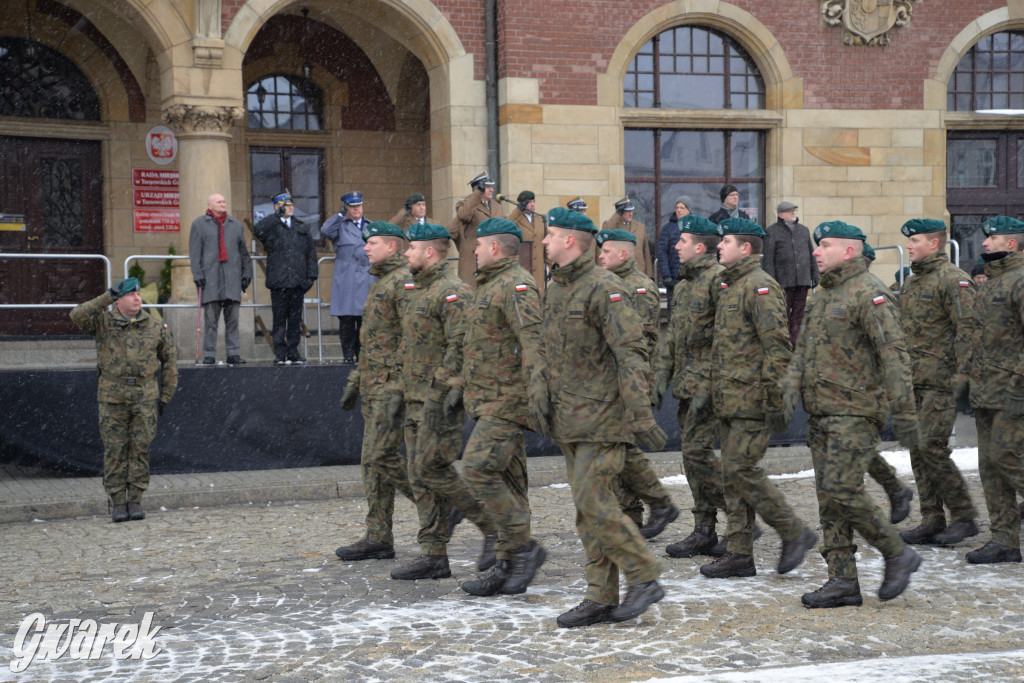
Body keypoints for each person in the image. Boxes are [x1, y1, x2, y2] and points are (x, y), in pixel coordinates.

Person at [536, 207, 667, 628]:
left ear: (569, 241)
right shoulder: (555, 289)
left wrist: (641, 414)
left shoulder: (605, 287)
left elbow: (632, 352)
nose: (543, 242)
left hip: (604, 417)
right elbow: (548, 352)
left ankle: (644, 576)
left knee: (595, 503)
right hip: (569, 418)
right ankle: (600, 596)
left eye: (549, 235)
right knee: (586, 511)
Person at [784, 220, 923, 608]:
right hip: (822, 412)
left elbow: (893, 354)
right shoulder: (822, 296)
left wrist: (905, 411)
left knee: (844, 489)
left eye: (824, 245)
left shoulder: (870, 293)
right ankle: (842, 580)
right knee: (829, 498)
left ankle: (896, 553)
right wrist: (786, 392)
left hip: (857, 411)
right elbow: (802, 352)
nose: (815, 251)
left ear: (849, 251)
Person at [699, 216, 817, 580]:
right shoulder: (729, 285)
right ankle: (739, 552)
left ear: (745, 248)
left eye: (726, 241)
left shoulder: (761, 286)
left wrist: (774, 398)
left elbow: (777, 346)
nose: (719, 246)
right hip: (729, 397)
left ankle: (793, 530)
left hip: (752, 399)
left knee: (741, 471)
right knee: (732, 477)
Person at [387, 222, 500, 581]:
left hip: (437, 402)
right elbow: (409, 345)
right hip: (413, 398)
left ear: (430, 252)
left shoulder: (453, 292)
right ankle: (433, 554)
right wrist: (395, 387)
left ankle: (492, 525)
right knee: (419, 478)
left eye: (411, 248)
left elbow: (461, 345)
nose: (406, 253)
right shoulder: (418, 292)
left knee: (433, 469)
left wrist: (447, 391)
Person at [458, 217, 548, 597]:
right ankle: (507, 562)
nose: (474, 251)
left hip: (507, 401)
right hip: (488, 399)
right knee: (511, 483)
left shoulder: (516, 285)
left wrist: (539, 395)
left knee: (477, 470)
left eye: (478, 245)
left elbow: (533, 344)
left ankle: (525, 549)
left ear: (494, 247)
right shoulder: (490, 286)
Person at [335, 221, 417, 562]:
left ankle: (445, 502)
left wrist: (397, 385)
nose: (366, 247)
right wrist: (357, 381)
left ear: (393, 247)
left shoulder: (403, 282)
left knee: (378, 457)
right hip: (374, 386)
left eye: (373, 243)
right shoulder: (381, 281)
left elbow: (412, 339)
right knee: (373, 465)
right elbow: (373, 345)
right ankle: (379, 535)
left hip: (391, 389)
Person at [896, 219, 980, 547]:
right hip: (915, 381)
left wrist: (961, 378)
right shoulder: (914, 282)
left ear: (935, 243)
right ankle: (932, 519)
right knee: (918, 450)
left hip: (941, 382)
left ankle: (964, 515)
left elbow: (969, 330)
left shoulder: (953, 280)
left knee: (932, 448)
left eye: (915, 240)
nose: (909, 246)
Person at [652, 214, 729, 558]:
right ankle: (705, 529)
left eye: (681, 241)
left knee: (698, 456)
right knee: (691, 457)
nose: (675, 246)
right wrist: (659, 380)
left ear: (699, 246)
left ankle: (742, 518)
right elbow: (673, 342)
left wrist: (714, 383)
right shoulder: (682, 286)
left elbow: (729, 338)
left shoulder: (719, 281)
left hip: (709, 388)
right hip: (686, 385)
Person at [70, 278, 178, 522]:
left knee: (139, 450)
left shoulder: (154, 326)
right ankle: (118, 502)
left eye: (139, 294)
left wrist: (166, 395)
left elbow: (169, 361)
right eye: (131, 295)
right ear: (118, 300)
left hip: (145, 398)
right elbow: (76, 315)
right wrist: (106, 296)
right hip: (112, 398)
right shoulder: (103, 323)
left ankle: (135, 500)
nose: (137, 299)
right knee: (115, 451)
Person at [595, 228, 678, 539]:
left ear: (623, 254)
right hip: (610, 379)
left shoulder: (639, 287)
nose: (600, 257)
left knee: (622, 448)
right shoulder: (608, 283)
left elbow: (636, 340)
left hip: (629, 379)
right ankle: (631, 519)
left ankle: (656, 504)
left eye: (605, 252)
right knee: (617, 448)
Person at [963, 215, 1024, 564]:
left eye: (992, 239)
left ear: (1011, 244)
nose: (984, 244)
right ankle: (1004, 539)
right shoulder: (991, 285)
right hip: (987, 392)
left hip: (1013, 394)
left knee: (1010, 460)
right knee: (990, 466)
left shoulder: (1019, 281)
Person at [859, 242, 916, 524]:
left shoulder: (872, 293)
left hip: (865, 387)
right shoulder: (834, 290)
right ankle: (895, 490)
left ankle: (893, 492)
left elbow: (890, 347)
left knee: (854, 450)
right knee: (857, 449)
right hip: (836, 388)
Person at [254, 191, 318, 365]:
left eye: (291, 205)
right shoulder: (271, 225)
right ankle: (280, 353)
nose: (290, 208)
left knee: (295, 320)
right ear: (277, 207)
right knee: (279, 319)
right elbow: (257, 230)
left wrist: (311, 277)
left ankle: (293, 352)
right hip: (279, 281)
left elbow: (310, 254)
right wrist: (275, 217)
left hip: (298, 281)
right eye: (286, 205)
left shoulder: (301, 227)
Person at [188, 193, 252, 365]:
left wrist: (247, 273)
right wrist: (198, 275)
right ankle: (209, 354)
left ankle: (233, 353)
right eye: (219, 202)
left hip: (231, 280)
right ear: (210, 205)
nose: (223, 204)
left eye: (224, 201)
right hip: (210, 280)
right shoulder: (199, 225)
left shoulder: (235, 225)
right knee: (211, 322)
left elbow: (244, 253)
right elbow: (194, 255)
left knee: (233, 321)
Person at [322, 191, 375, 364]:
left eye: (358, 206)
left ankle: (361, 355)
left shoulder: (370, 226)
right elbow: (325, 230)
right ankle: (347, 356)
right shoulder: (340, 225)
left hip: (366, 277)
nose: (356, 210)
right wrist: (339, 215)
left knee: (363, 319)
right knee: (346, 320)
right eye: (352, 207)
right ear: (346, 209)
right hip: (347, 279)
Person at [763, 201, 819, 345]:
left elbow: (811, 253)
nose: (793, 213)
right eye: (789, 211)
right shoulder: (772, 232)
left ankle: (796, 342)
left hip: (802, 279)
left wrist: (815, 273)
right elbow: (768, 260)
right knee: (783, 313)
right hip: (783, 281)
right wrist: (771, 281)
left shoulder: (803, 230)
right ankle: (784, 341)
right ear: (781, 215)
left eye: (794, 210)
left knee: (799, 314)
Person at [451, 172, 504, 287]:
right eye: (487, 187)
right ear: (478, 189)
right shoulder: (465, 204)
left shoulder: (497, 207)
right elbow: (464, 215)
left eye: (492, 187)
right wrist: (477, 194)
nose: (492, 190)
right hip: (473, 261)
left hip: (494, 260)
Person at [601, 197, 654, 279]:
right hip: (619, 274)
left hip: (639, 273)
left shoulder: (640, 226)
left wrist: (650, 275)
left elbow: (646, 251)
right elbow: (607, 229)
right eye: (627, 211)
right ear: (620, 212)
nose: (631, 214)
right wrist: (616, 214)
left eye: (632, 211)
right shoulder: (612, 226)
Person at [506, 190, 547, 293]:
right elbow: (506, 225)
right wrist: (518, 210)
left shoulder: (540, 219)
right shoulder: (515, 219)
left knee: (539, 297)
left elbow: (546, 243)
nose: (532, 205)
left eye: (534, 201)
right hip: (523, 268)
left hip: (539, 269)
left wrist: (548, 266)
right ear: (521, 204)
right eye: (529, 202)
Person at [656, 196, 691, 315]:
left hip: (691, 277)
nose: (679, 210)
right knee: (673, 312)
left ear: (689, 210)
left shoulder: (694, 227)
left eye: (682, 207)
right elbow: (662, 253)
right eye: (677, 207)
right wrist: (666, 275)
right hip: (673, 278)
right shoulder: (668, 229)